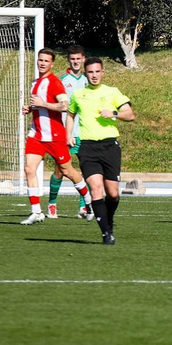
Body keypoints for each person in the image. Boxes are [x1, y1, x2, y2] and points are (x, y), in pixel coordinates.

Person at [67, 57, 135, 245]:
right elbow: (70, 115)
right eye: (90, 72)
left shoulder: (112, 92)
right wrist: (68, 135)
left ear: (103, 72)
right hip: (88, 147)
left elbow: (130, 115)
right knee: (96, 188)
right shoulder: (78, 95)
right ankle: (106, 233)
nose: (94, 75)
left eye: (97, 72)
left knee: (113, 194)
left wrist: (113, 113)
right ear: (85, 73)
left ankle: (108, 220)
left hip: (109, 146)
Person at [20, 48, 92, 226]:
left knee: (67, 171)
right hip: (36, 135)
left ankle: (89, 202)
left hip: (55, 136)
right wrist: (30, 108)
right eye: (40, 60)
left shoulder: (55, 82)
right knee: (30, 169)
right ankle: (36, 211)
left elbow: (64, 105)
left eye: (46, 61)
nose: (42, 63)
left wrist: (43, 104)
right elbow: (39, 106)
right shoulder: (35, 83)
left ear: (52, 64)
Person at [48, 44, 93, 220]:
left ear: (83, 59)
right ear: (69, 60)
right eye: (72, 59)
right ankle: (52, 204)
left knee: (86, 169)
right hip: (64, 132)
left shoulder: (88, 81)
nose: (75, 62)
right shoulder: (61, 80)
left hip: (84, 132)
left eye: (78, 59)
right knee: (61, 170)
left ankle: (83, 207)